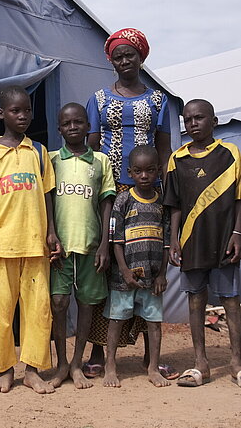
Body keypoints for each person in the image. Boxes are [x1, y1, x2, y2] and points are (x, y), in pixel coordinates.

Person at [84, 28, 178, 381]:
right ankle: (97, 350)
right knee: (106, 266)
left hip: (146, 192)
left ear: (141, 58)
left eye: (131, 55)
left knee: (147, 264)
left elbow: (165, 149)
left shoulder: (157, 100)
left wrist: (166, 192)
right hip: (109, 191)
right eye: (118, 56)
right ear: (111, 59)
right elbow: (92, 145)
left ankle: (149, 357)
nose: (125, 61)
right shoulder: (98, 98)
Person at [0, 85, 59, 394]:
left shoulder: (39, 151)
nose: (23, 116)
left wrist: (51, 232)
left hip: (36, 245)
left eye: (27, 110)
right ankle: (4, 370)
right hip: (2, 245)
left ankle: (32, 371)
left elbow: (47, 195)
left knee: (37, 312)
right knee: (1, 313)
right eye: (15, 110)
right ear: (1, 114)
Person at [165, 99, 241, 387]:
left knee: (231, 301)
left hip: (223, 239)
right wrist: (173, 239)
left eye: (199, 117)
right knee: (195, 301)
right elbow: (174, 205)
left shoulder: (230, 153)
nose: (193, 123)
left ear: (214, 121)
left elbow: (238, 199)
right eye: (188, 119)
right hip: (190, 241)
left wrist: (237, 235)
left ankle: (236, 363)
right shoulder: (177, 159)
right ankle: (201, 365)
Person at [48, 103, 116, 389]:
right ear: (59, 128)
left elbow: (107, 204)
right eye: (67, 123)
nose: (73, 127)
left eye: (79, 122)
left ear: (89, 127)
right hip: (59, 249)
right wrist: (51, 234)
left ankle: (77, 363)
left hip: (90, 246)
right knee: (59, 303)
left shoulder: (100, 161)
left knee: (86, 305)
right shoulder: (50, 160)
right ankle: (61, 363)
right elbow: (47, 200)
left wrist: (105, 245)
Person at [103, 145, 170, 388]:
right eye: (139, 171)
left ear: (158, 171)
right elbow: (116, 240)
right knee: (116, 319)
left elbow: (165, 242)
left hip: (152, 278)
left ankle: (153, 367)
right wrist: (123, 270)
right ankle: (110, 365)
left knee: (154, 322)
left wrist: (163, 273)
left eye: (150, 171)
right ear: (130, 172)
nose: (144, 176)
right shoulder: (123, 199)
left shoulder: (162, 201)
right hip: (125, 276)